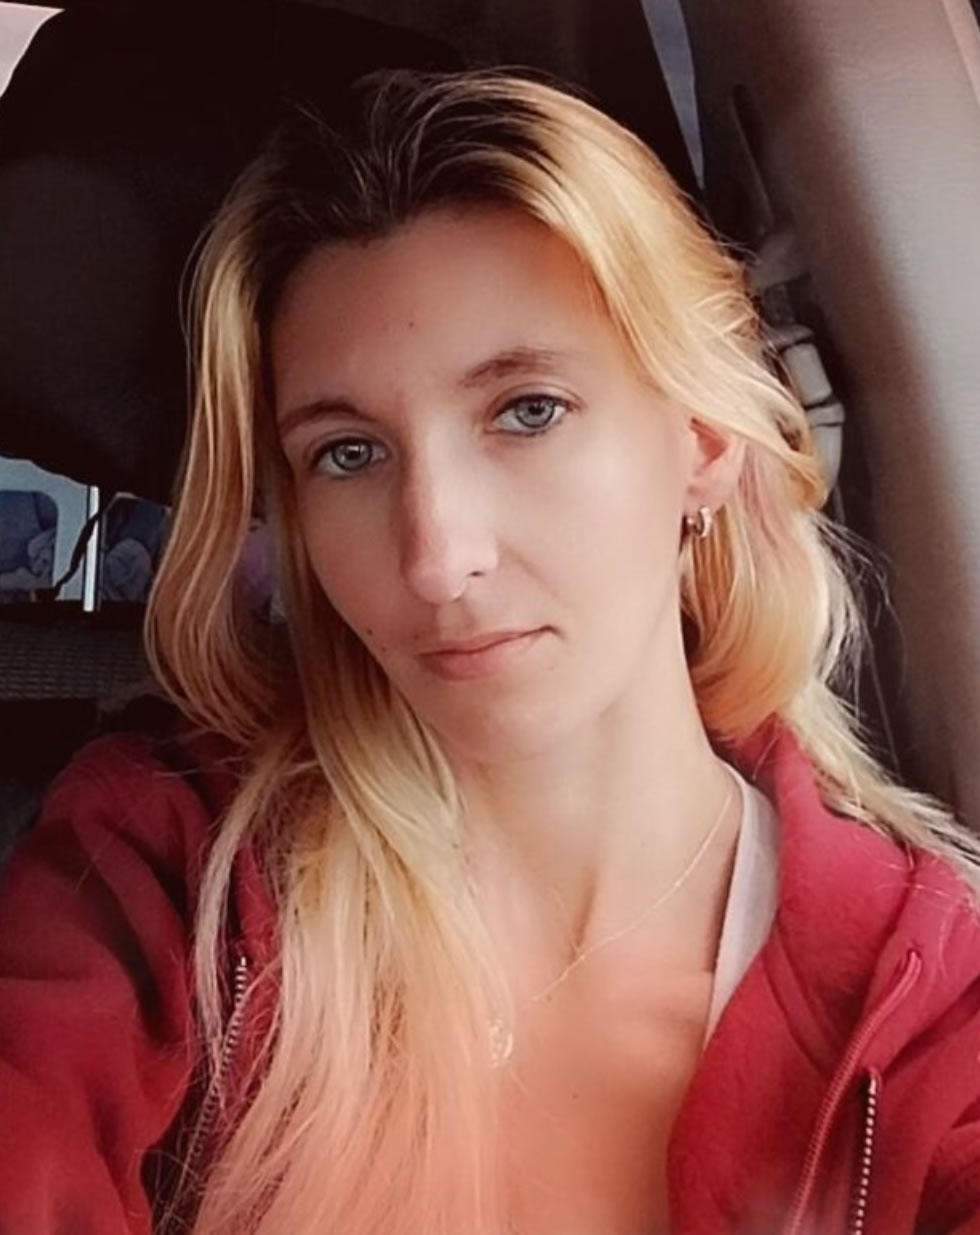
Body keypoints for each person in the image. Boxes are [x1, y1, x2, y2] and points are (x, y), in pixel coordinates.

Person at [1, 68, 980, 1235]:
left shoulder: (923, 1003)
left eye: (527, 410)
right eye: (348, 453)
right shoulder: (165, 870)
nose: (435, 558)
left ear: (705, 439)